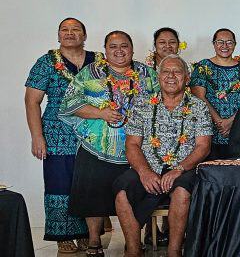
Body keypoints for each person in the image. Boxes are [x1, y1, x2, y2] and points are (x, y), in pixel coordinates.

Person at [59, 31, 159, 256]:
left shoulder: (147, 74)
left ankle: (132, 240)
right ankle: (94, 240)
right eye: (113, 46)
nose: (119, 51)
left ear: (132, 49)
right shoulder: (90, 73)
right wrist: (100, 112)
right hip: (96, 146)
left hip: (138, 149)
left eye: (124, 46)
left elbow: (164, 104)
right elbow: (69, 104)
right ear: (105, 50)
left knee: (133, 195)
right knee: (92, 194)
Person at [114, 55, 212, 257]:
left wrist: (179, 169)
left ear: (186, 78)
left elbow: (203, 146)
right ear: (158, 77)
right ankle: (133, 250)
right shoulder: (142, 104)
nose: (171, 76)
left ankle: (174, 251)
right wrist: (144, 172)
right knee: (122, 189)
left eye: (177, 72)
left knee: (182, 190)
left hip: (184, 167)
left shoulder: (198, 106)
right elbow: (132, 144)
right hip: (148, 166)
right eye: (166, 72)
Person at [24, 18, 98, 252]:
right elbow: (32, 101)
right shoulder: (46, 62)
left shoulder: (98, 61)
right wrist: (37, 137)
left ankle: (87, 233)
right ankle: (62, 235)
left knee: (89, 184)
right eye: (64, 30)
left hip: (93, 134)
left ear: (84, 36)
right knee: (59, 184)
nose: (70, 33)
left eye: (75, 29)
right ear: (58, 36)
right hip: (57, 134)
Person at [189, 28, 240, 160]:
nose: (224, 46)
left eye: (229, 42)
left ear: (235, 44)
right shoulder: (203, 67)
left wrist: (231, 122)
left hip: (237, 130)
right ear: (214, 44)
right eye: (220, 42)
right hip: (208, 130)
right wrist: (220, 122)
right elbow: (199, 97)